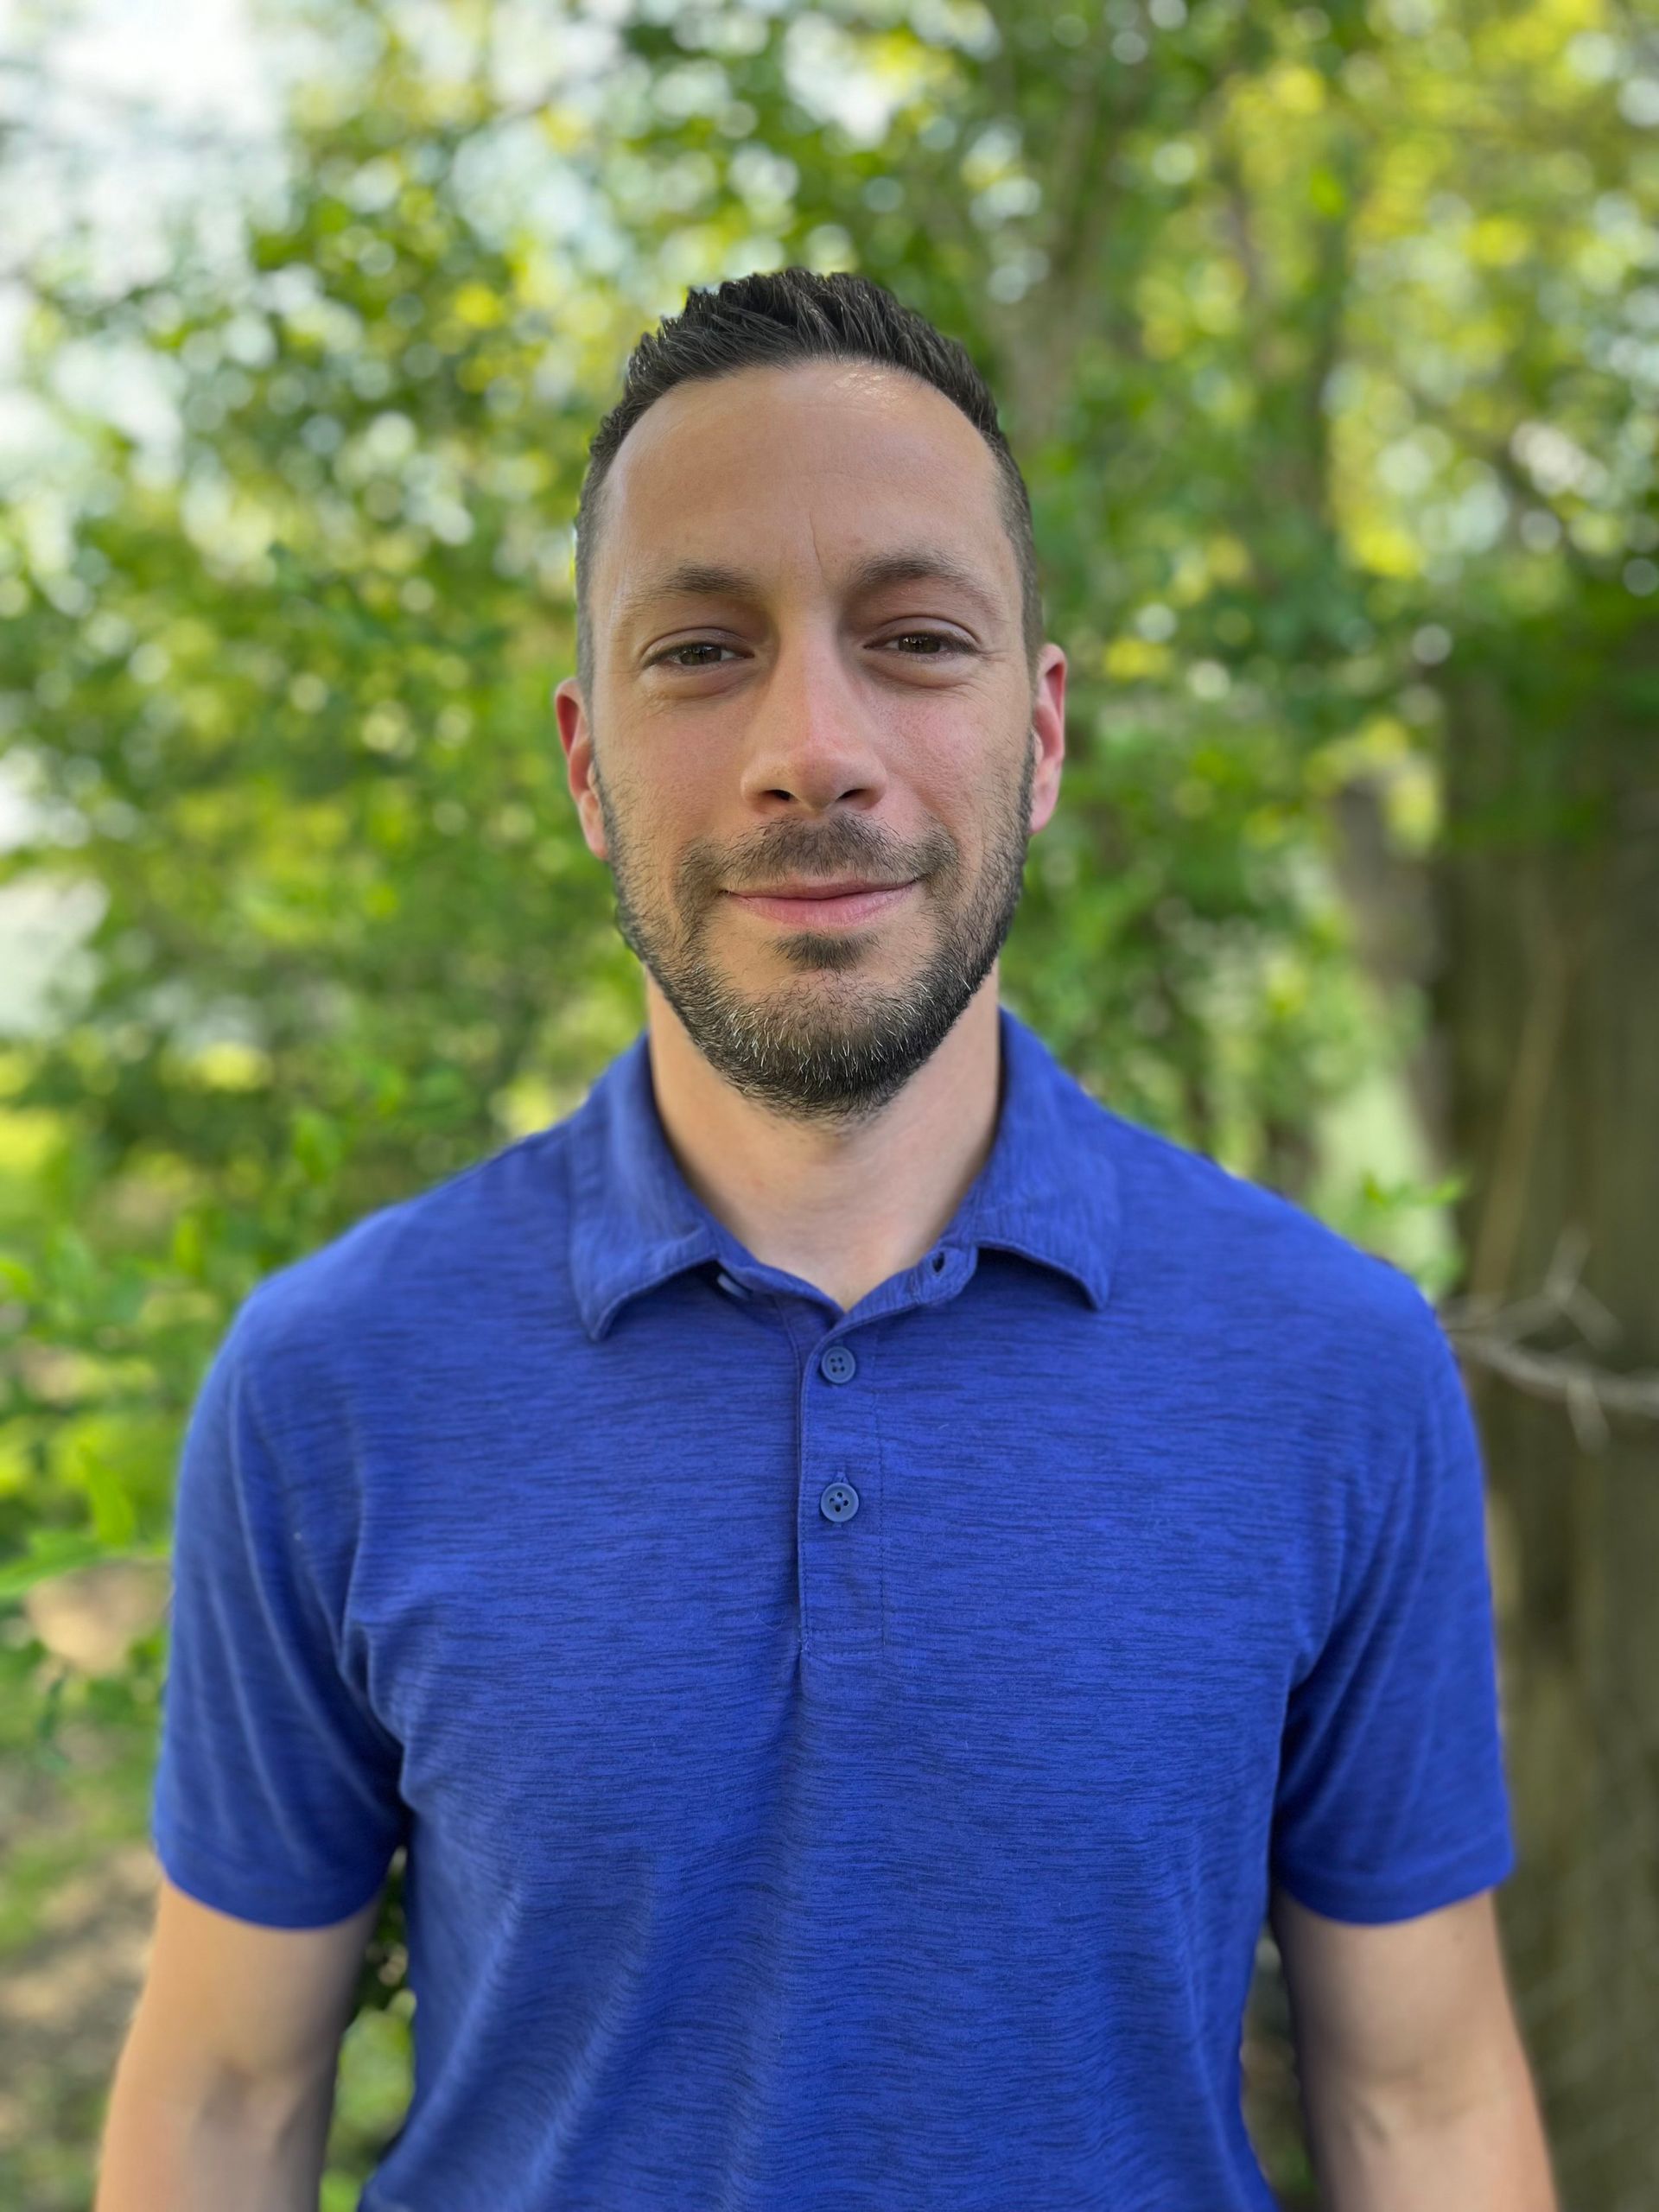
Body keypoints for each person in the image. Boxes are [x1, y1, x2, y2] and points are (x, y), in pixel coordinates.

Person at [97, 268, 1556, 2210]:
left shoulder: (1333, 1367)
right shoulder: (331, 1386)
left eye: (917, 637)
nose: (815, 743)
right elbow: (219, 2096)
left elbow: (1427, 2104)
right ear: (584, 759)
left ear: (1041, 735)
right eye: (701, 649)